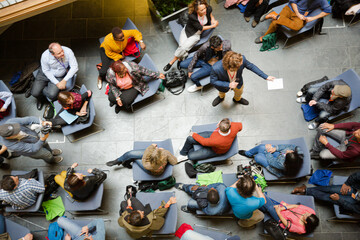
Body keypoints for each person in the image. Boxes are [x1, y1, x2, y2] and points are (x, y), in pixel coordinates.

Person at [163, 0, 219, 72]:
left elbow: (211, 16)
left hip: (196, 35)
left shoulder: (208, 9)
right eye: (202, 10)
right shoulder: (192, 16)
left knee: (183, 47)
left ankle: (172, 62)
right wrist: (213, 26)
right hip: (187, 31)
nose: (204, 10)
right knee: (182, 47)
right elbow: (201, 28)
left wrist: (214, 21)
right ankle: (180, 58)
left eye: (205, 8)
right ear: (196, 10)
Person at [210, 51, 275, 107]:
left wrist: (266, 76)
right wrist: (228, 84)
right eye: (240, 65)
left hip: (238, 82)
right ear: (232, 67)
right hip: (223, 86)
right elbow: (213, 81)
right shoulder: (216, 68)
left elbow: (251, 66)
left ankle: (237, 99)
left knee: (239, 92)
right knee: (221, 92)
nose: (242, 64)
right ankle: (221, 97)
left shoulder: (241, 59)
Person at [255, 0, 331, 43]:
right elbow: (293, 2)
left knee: (297, 26)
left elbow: (328, 10)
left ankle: (275, 15)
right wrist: (297, 13)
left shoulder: (322, 0)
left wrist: (313, 18)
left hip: (301, 16)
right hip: (290, 9)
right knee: (275, 22)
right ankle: (265, 37)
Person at [31, 42, 78, 110]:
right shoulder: (45, 56)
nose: (62, 53)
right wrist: (56, 83)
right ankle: (40, 98)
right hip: (45, 74)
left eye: (62, 50)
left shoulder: (68, 51)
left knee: (52, 95)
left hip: (59, 75)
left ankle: (37, 87)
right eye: (59, 53)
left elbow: (75, 67)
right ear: (52, 54)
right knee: (35, 93)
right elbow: (46, 71)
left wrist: (64, 80)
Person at [98, 26, 146, 90]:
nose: (124, 38)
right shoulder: (107, 40)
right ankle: (100, 77)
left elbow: (135, 32)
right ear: (115, 38)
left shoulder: (124, 33)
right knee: (104, 71)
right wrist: (120, 56)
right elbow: (109, 54)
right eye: (121, 38)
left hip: (118, 52)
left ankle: (110, 81)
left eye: (123, 36)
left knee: (114, 68)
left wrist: (141, 41)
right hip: (106, 52)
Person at [291, 171, 360, 215]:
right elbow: (357, 175)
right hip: (355, 189)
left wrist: (339, 199)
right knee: (331, 189)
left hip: (355, 202)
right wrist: (347, 184)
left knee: (330, 197)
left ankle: (305, 190)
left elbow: (352, 208)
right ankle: (306, 191)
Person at [178, 118, 242, 162]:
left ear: (219, 124)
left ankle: (188, 151)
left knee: (190, 156)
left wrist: (194, 134)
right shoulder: (234, 126)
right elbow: (240, 126)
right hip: (213, 136)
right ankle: (183, 152)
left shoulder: (216, 140)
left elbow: (204, 142)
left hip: (216, 150)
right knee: (190, 139)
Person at [105, 143, 178, 175]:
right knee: (130, 155)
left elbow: (151, 147)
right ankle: (119, 161)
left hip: (153, 172)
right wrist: (164, 154)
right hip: (156, 164)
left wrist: (153, 146)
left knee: (131, 155)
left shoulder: (147, 164)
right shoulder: (165, 153)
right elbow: (174, 162)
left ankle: (123, 162)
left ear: (150, 156)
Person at [239, 144, 303, 177]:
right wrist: (275, 148)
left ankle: (257, 154)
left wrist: (267, 150)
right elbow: (290, 146)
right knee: (261, 147)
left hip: (275, 167)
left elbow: (271, 161)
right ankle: (248, 154)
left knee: (258, 157)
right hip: (279, 157)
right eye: (290, 151)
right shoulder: (298, 152)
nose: (287, 150)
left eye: (287, 153)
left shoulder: (281, 164)